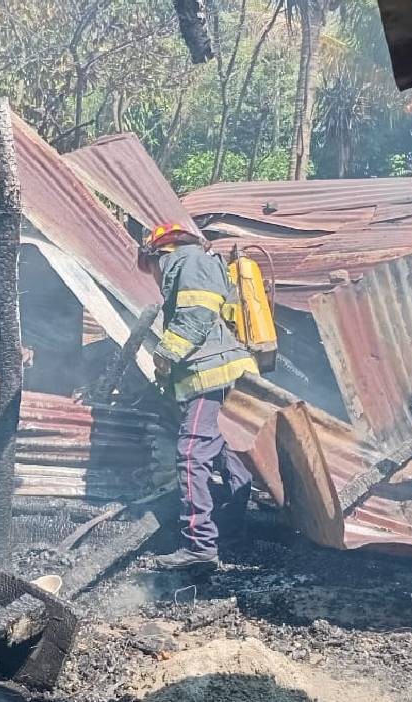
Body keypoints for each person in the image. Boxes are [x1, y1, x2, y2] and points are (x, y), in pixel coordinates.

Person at [137, 223, 257, 569]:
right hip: (214, 374)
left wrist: (166, 353)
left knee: (190, 455)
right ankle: (231, 531)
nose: (154, 276)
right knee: (227, 456)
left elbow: (197, 314)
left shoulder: (187, 262)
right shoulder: (194, 262)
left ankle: (199, 546)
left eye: (152, 268)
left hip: (209, 375)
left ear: (159, 253)